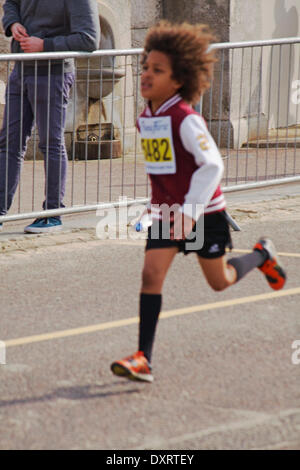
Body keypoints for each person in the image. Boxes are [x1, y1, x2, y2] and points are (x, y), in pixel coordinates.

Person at [110, 21, 287, 383]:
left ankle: (262, 255)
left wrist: (190, 213)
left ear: (178, 81)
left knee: (219, 281)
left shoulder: (185, 118)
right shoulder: (147, 117)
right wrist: (155, 205)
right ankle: (143, 357)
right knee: (150, 275)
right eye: (145, 67)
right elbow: (162, 170)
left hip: (203, 214)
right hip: (167, 214)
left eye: (157, 70)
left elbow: (213, 165)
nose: (146, 74)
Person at [0, 0, 100, 233]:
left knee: (51, 144)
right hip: (21, 70)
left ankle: (52, 214)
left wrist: (45, 45)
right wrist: (12, 23)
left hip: (53, 74)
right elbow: (12, 2)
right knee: (8, 143)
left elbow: (89, 39)